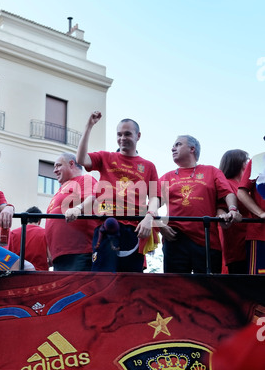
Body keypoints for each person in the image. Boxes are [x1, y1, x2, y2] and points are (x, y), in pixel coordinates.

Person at [74, 111, 161, 272]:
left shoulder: (149, 166)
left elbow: (155, 197)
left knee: (130, 283)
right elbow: (81, 159)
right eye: (119, 134)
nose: (122, 138)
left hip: (134, 229)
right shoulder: (106, 157)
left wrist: (150, 217)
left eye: (127, 134)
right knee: (101, 281)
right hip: (106, 226)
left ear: (138, 136)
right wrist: (89, 126)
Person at [159, 135, 241, 274]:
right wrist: (160, 226)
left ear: (192, 149)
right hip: (175, 238)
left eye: (178, 144)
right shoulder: (166, 177)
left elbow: (228, 193)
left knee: (208, 291)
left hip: (207, 240)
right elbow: (151, 206)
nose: (173, 148)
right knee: (175, 290)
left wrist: (233, 209)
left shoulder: (212, 171)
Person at [45, 152, 98, 271]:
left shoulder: (85, 179)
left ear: (71, 164)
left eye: (58, 166)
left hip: (79, 252)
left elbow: (93, 198)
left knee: (78, 288)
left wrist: (77, 208)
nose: (54, 170)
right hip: (60, 256)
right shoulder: (61, 189)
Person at [218, 149, 249, 274]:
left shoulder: (247, 186)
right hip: (237, 246)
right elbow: (220, 209)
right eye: (247, 160)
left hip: (252, 242)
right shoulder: (227, 184)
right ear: (241, 163)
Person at [237, 152, 265, 274]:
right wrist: (261, 213)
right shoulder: (258, 160)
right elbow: (242, 192)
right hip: (261, 234)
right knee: (258, 284)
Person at [9, 206, 50, 271]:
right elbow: (51, 259)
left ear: (26, 219)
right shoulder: (45, 233)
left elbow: (9, 258)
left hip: (17, 274)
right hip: (39, 275)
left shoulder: (13, 233)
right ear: (39, 221)